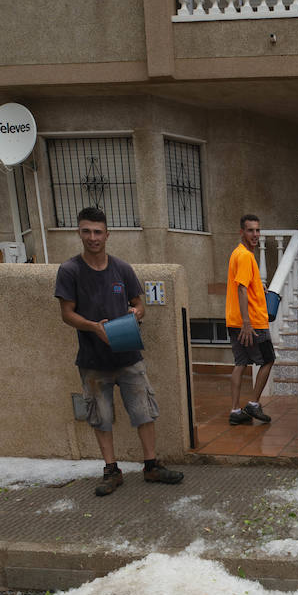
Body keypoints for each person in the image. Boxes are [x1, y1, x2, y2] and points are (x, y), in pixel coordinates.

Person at [55, 206, 184, 495]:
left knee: (144, 412)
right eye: (86, 231)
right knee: (100, 416)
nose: (92, 237)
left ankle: (151, 466)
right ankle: (111, 471)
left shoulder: (122, 269)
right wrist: (93, 326)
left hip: (128, 356)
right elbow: (66, 313)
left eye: (97, 232)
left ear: (107, 234)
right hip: (92, 360)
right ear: (79, 232)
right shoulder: (70, 270)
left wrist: (136, 313)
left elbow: (140, 305)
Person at [226, 214, 276, 426]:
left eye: (257, 230)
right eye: (250, 230)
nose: (255, 234)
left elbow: (244, 284)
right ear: (241, 232)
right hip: (252, 323)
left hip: (234, 321)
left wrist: (259, 286)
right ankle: (253, 403)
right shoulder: (245, 256)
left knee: (240, 363)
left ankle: (235, 410)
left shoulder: (237, 254)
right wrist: (247, 323)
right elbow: (241, 288)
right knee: (268, 360)